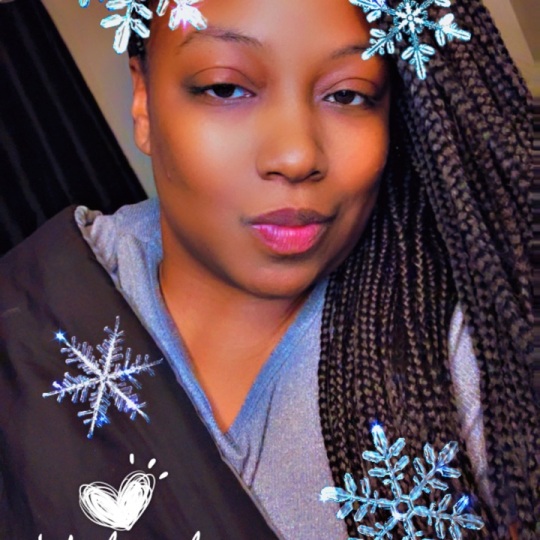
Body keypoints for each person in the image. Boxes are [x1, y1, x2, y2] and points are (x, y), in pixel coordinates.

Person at [0, 0, 537, 538]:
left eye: (347, 94)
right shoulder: (31, 313)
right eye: (225, 88)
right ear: (143, 102)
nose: (296, 155)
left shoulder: (470, 360)